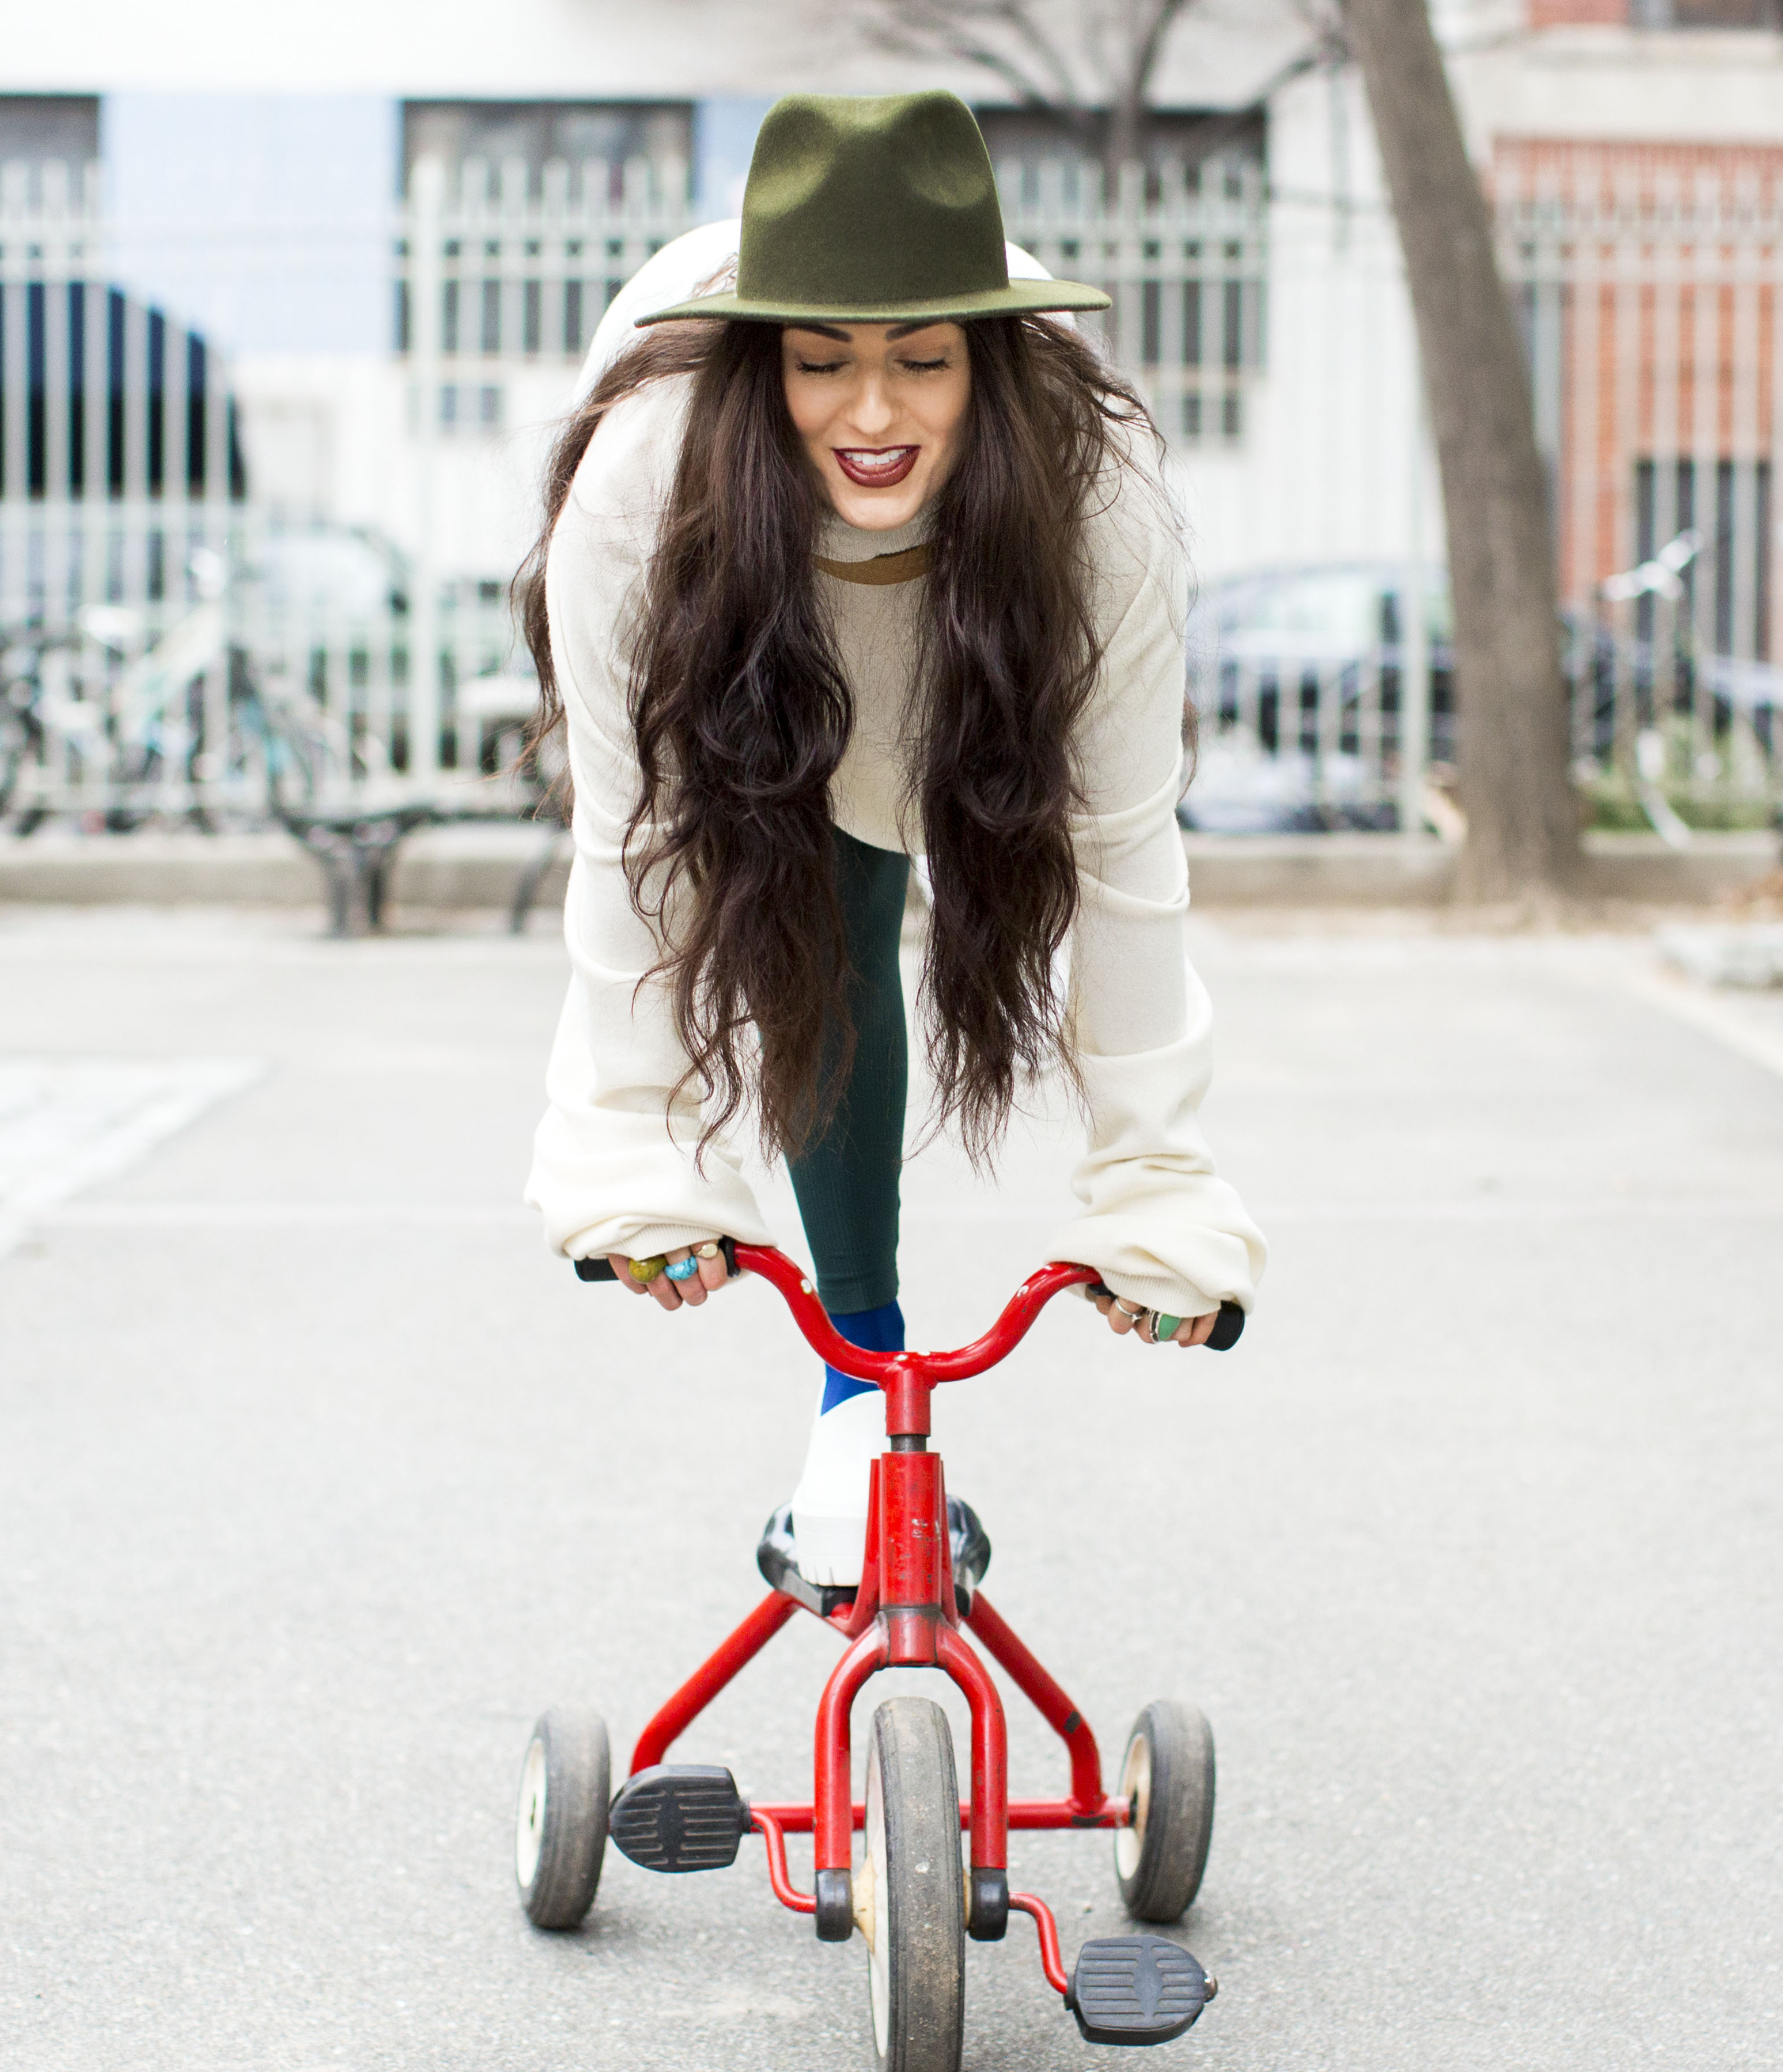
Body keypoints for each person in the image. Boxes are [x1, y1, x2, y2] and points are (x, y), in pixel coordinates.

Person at [521, 89, 1266, 1605]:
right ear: (759, 365)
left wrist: (1154, 1189)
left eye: (922, 364)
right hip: (750, 654)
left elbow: (1122, 860)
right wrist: (637, 1148)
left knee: (976, 865)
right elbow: (639, 849)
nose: (872, 416)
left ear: (984, 365)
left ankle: (871, 1395)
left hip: (977, 658)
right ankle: (856, 1394)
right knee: (821, 918)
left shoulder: (1094, 502)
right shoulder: (647, 477)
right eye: (821, 366)